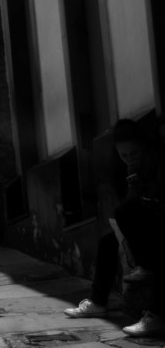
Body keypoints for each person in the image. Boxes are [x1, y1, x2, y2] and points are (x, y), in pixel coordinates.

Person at [65, 119, 165, 337]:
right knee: (108, 241)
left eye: (134, 153)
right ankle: (98, 301)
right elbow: (127, 203)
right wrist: (131, 182)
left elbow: (149, 202)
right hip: (141, 221)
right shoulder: (122, 170)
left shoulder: (155, 162)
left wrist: (139, 185)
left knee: (154, 249)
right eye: (124, 155)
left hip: (156, 219)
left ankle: (156, 310)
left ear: (143, 147)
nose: (130, 158)